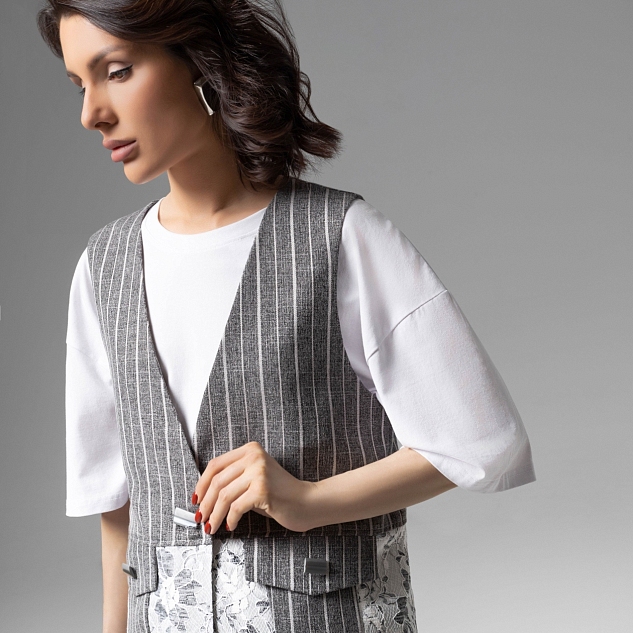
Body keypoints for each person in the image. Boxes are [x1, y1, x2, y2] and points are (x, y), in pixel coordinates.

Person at [37, 1, 536, 632]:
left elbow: (484, 443)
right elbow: (117, 507)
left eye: (116, 72)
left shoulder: (340, 237)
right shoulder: (103, 268)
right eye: (79, 85)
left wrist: (309, 500)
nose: (91, 114)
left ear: (199, 61)